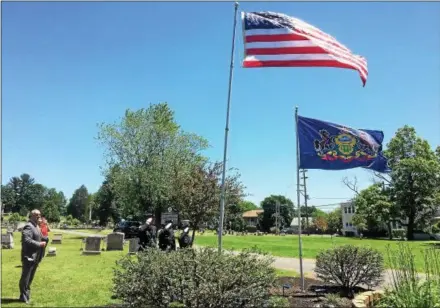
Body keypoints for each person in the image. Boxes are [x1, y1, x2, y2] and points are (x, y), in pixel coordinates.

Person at [19, 209, 48, 304]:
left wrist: (44, 238)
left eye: (39, 215)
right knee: (26, 277)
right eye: (36, 215)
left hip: (36, 257)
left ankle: (26, 295)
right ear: (31, 215)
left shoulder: (36, 226)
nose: (39, 216)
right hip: (29, 256)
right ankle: (23, 296)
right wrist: (39, 244)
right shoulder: (29, 226)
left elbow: (38, 237)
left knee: (30, 278)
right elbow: (26, 240)